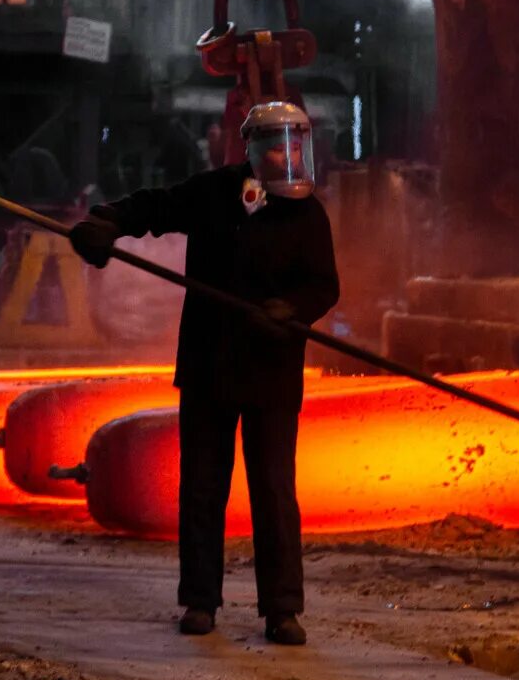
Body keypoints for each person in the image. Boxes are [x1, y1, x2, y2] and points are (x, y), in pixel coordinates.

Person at [69, 101, 339, 645]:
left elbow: (324, 286)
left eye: (291, 145)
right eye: (272, 145)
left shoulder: (309, 214)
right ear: (251, 149)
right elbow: (157, 207)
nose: (283, 155)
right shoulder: (215, 194)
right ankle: (200, 601)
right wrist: (108, 221)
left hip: (271, 376)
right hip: (210, 366)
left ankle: (282, 610)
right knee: (201, 488)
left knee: (273, 493)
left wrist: (292, 308)